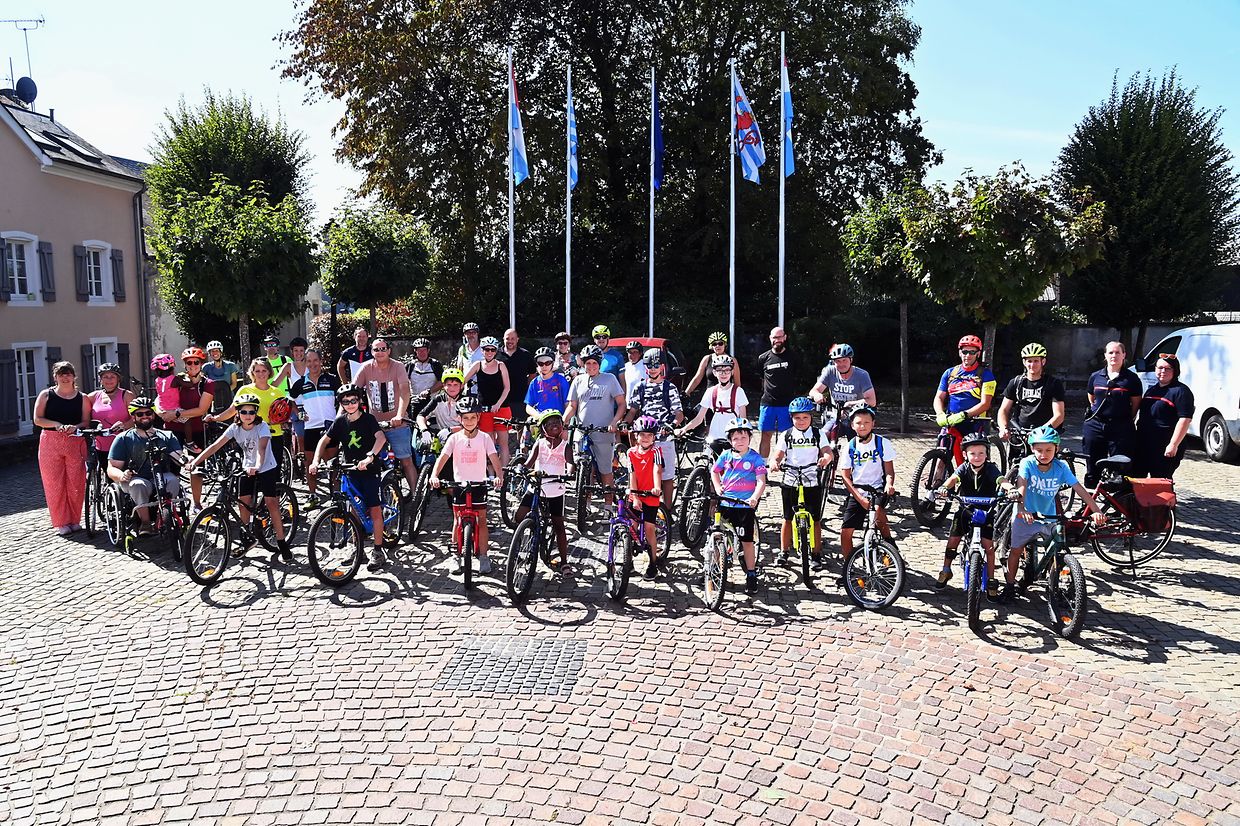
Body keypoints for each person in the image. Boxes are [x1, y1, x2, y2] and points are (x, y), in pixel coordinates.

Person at [1004, 426, 1106, 603]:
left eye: (1048, 450)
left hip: (1049, 515)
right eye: (1039, 450)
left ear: (1056, 449)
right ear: (1032, 449)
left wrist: (1096, 510)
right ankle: (1009, 586)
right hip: (1026, 514)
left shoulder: (1061, 467)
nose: (1044, 454)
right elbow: (1022, 486)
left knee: (1056, 549)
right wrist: (1021, 508)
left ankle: (1056, 584)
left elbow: (1079, 489)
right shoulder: (1027, 463)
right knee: (1016, 550)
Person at [186, 391, 290, 559]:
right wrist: (196, 462)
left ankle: (281, 541)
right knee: (243, 502)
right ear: (238, 413)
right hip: (247, 467)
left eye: (251, 412)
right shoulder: (235, 428)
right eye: (244, 412)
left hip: (266, 466)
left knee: (271, 503)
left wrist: (257, 465)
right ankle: (246, 538)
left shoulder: (262, 426)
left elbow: (262, 449)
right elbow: (215, 446)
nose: (248, 415)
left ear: (256, 413)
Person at [310, 384, 388, 571]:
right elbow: (324, 441)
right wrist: (315, 461)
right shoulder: (340, 422)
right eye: (346, 401)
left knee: (374, 509)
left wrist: (370, 457)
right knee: (353, 508)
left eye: (353, 400)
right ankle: (357, 548)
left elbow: (381, 438)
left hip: (369, 470)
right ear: (341, 404)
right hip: (350, 469)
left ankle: (378, 550)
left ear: (359, 401)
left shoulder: (368, 419)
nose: (350, 404)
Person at [430, 397, 505, 575]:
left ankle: (484, 556)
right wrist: (434, 475)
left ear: (478, 417)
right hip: (460, 485)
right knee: (457, 520)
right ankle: (455, 555)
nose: (469, 421)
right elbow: (443, 458)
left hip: (479, 484)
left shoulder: (484, 438)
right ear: (459, 418)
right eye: (465, 418)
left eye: (472, 417)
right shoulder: (454, 438)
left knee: (482, 520)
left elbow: (494, 458)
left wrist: (499, 476)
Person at [931, 431, 1007, 596]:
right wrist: (944, 487)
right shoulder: (963, 468)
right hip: (966, 510)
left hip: (986, 511)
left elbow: (1001, 480)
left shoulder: (991, 469)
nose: (977, 457)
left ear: (987, 454)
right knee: (953, 540)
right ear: (965, 455)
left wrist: (1011, 488)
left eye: (981, 453)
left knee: (989, 547)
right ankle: (946, 570)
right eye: (972, 454)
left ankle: (991, 579)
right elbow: (953, 479)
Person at [106, 396, 186, 537]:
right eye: (140, 414)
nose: (145, 416)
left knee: (173, 480)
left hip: (161, 476)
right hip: (136, 478)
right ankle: (145, 522)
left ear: (153, 415)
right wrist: (122, 475)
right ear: (133, 417)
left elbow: (178, 456)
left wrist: (188, 461)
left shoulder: (167, 435)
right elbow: (111, 468)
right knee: (138, 484)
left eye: (148, 413)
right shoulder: (123, 438)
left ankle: (164, 518)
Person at [770, 396, 833, 570]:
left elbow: (827, 451)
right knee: (787, 518)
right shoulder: (787, 434)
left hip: (811, 479)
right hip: (790, 478)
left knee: (816, 519)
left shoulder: (817, 434)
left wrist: (826, 458)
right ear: (791, 418)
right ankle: (784, 551)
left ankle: (816, 553)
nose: (801, 421)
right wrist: (775, 462)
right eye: (797, 418)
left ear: (811, 417)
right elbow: (778, 454)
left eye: (805, 417)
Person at [564, 345, 626, 511]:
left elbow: (621, 404)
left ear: (599, 363)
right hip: (582, 431)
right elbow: (572, 406)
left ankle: (608, 506)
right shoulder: (578, 380)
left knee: (605, 470)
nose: (591, 366)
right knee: (585, 469)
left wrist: (614, 422)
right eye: (588, 363)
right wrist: (563, 420)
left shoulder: (609, 379)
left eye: (594, 363)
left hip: (603, 431)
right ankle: (587, 504)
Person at [711, 417, 768, 595]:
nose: (740, 441)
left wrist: (754, 497)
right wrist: (718, 487)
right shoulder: (726, 455)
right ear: (730, 441)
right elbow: (714, 471)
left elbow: (761, 481)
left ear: (750, 438)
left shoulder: (755, 458)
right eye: (735, 438)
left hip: (744, 506)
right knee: (717, 535)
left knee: (747, 542)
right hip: (725, 503)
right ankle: (715, 568)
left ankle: (751, 573)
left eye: (743, 437)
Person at [34, 361, 91, 535]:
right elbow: (38, 419)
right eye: (61, 374)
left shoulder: (82, 398)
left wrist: (75, 427)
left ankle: (74, 519)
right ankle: (61, 521)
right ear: (55, 377)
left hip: (75, 441)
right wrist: (56, 424)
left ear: (74, 376)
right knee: (53, 483)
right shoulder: (46, 395)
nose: (65, 377)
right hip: (50, 442)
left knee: (76, 482)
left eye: (68, 374)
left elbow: (86, 421)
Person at [354, 336, 417, 492]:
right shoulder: (366, 368)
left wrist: (400, 415)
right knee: (371, 459)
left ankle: (416, 496)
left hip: (397, 423)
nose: (380, 352)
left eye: (383, 349)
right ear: (371, 352)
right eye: (376, 349)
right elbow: (352, 391)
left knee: (406, 460)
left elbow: (404, 392)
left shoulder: (398, 367)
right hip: (375, 425)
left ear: (389, 351)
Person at [513, 409, 571, 571]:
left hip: (555, 490)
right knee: (519, 516)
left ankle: (564, 561)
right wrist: (521, 468)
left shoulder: (565, 446)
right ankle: (518, 547)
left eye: (557, 423)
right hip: (536, 487)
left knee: (558, 525)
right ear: (543, 428)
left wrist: (569, 473)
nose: (554, 425)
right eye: (549, 424)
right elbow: (529, 462)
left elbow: (570, 463)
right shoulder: (539, 443)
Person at [839, 405, 898, 564]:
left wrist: (889, 485)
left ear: (873, 423)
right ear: (852, 425)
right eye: (858, 423)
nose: (862, 426)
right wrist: (859, 498)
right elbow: (845, 476)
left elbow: (889, 471)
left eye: (866, 422)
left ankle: (890, 544)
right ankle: (849, 566)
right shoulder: (850, 446)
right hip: (857, 491)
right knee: (845, 532)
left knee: (878, 513)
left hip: (877, 489)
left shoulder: (882, 443)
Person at [625, 348, 685, 505]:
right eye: (649, 366)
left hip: (664, 438)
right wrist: (625, 422)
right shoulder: (640, 387)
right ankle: (643, 505)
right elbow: (633, 410)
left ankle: (667, 510)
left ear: (662, 366)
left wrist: (671, 425)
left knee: (666, 477)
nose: (653, 369)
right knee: (643, 474)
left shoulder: (669, 388)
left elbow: (679, 414)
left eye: (656, 365)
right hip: (645, 438)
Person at [159, 347, 214, 514]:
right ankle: (171, 503)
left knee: (196, 467)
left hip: (195, 429)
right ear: (184, 364)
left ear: (201, 364)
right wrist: (160, 411)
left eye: (196, 362)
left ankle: (197, 503)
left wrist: (176, 414)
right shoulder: (176, 380)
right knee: (171, 467)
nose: (192, 365)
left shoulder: (207, 383)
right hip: (173, 428)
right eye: (189, 362)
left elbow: (201, 409)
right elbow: (161, 397)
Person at [206, 358, 291, 468]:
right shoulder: (245, 390)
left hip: (274, 435)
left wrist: (284, 421)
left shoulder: (277, 392)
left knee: (274, 471)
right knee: (252, 470)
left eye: (264, 370)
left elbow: (283, 414)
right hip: (251, 436)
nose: (261, 374)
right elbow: (232, 410)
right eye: (257, 371)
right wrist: (215, 418)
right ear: (252, 373)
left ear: (269, 372)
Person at [1082, 340, 1142, 487]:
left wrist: (1124, 418)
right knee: (1092, 463)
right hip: (1096, 425)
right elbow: (1092, 399)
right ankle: (1091, 495)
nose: (1114, 356)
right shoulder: (1095, 376)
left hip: (1120, 427)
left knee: (1120, 466)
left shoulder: (1132, 379)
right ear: (1105, 355)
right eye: (1110, 352)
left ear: (1124, 355)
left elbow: (1135, 404)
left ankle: (1117, 498)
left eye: (1117, 352)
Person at [933, 334, 997, 465]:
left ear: (978, 354)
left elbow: (985, 404)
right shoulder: (950, 373)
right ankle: (939, 477)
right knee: (941, 459)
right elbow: (939, 397)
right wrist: (940, 413)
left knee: (975, 462)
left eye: (972, 352)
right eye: (964, 351)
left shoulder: (986, 375)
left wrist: (964, 415)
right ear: (959, 352)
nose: (967, 355)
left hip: (974, 423)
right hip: (951, 421)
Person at [289, 348, 341, 508]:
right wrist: (299, 414)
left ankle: (336, 494)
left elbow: (343, 400)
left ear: (321, 361)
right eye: (309, 361)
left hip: (330, 427)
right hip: (311, 428)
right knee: (310, 464)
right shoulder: (301, 383)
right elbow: (290, 399)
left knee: (333, 464)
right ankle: (312, 495)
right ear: (305, 363)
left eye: (315, 360)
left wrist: (339, 417)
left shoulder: (332, 379)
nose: (313, 364)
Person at [1137, 354, 1194, 478]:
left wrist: (1173, 445)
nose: (1163, 371)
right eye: (1160, 368)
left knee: (1160, 482)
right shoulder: (1152, 390)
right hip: (1145, 444)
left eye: (1167, 368)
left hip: (1164, 446)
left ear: (1175, 371)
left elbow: (1185, 419)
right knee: (1137, 480)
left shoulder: (1181, 391)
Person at [996, 342, 1066, 442]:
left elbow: (1059, 415)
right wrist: (1003, 428)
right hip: (1020, 434)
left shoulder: (1053, 384)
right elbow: (1004, 409)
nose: (1032, 365)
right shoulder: (1015, 382)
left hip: (1045, 436)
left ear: (1043, 362)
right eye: (1029, 361)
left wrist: (1040, 432)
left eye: (1036, 361)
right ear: (1024, 362)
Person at [626, 415, 667, 581]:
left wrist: (657, 487)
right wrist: (635, 496)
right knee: (631, 527)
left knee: (649, 528)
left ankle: (653, 563)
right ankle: (628, 561)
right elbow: (632, 474)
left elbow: (657, 470)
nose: (645, 438)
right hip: (636, 493)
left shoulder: (656, 451)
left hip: (650, 495)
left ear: (654, 437)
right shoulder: (630, 453)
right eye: (642, 434)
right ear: (636, 435)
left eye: (649, 435)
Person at [808, 343, 876, 439]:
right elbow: (813, 391)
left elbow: (872, 401)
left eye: (844, 360)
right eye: (838, 361)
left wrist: (850, 404)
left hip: (856, 419)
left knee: (858, 443)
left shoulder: (862, 375)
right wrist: (817, 395)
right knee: (822, 437)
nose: (841, 364)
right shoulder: (830, 372)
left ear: (851, 360)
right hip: (836, 417)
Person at [676, 354, 748, 445]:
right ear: (714, 372)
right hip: (714, 437)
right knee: (708, 453)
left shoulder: (738, 392)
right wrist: (684, 429)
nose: (723, 374)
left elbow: (743, 420)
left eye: (727, 370)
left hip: (733, 439)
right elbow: (699, 418)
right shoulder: (711, 391)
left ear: (732, 372)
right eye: (719, 370)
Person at [464, 336, 513, 466]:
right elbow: (463, 380)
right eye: (487, 349)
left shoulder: (501, 365)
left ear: (496, 351)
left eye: (492, 350)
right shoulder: (477, 365)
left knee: (503, 443)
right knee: (488, 443)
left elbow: (507, 388)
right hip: (484, 409)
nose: (489, 352)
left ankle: (503, 472)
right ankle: (491, 473)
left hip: (501, 409)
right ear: (482, 350)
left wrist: (498, 404)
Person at [756, 326, 799, 459]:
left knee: (787, 436)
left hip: (787, 404)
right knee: (765, 435)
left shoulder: (793, 357)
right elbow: (761, 378)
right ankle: (763, 466)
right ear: (770, 338)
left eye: (780, 337)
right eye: (775, 337)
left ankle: (788, 463)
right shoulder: (763, 358)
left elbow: (798, 376)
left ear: (785, 337)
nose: (777, 340)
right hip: (768, 403)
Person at [87, 362, 134, 456]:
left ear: (118, 379)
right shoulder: (92, 397)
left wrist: (124, 425)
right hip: (99, 446)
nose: (109, 379)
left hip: (123, 445)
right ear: (100, 380)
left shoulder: (127, 395)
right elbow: (85, 418)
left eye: (112, 376)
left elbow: (136, 419)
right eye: (105, 377)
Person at [685, 331, 744, 397]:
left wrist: (738, 397)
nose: (717, 346)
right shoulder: (707, 359)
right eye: (714, 344)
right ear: (711, 346)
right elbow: (697, 378)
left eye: (720, 343)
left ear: (725, 344)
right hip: (710, 397)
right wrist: (686, 392)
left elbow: (737, 383)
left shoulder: (732, 360)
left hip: (727, 396)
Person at [416, 367, 468, 437]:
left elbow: (471, 425)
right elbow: (421, 416)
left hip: (463, 437)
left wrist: (450, 430)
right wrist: (424, 430)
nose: (452, 388)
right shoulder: (438, 400)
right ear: (443, 385)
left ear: (461, 386)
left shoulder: (466, 401)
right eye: (449, 385)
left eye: (455, 385)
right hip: (442, 438)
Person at [498, 329, 536, 423]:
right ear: (503, 339)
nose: (510, 341)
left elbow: (532, 374)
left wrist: (525, 387)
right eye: (507, 338)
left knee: (520, 425)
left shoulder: (525, 355)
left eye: (513, 338)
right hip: (500, 399)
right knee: (502, 426)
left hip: (520, 399)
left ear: (517, 339)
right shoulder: (496, 354)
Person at [525, 347, 572, 419]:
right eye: (540, 363)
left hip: (558, 420)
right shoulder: (534, 383)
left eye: (548, 363)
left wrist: (565, 420)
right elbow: (528, 406)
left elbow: (568, 403)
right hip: (541, 420)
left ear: (553, 363)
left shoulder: (561, 380)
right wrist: (538, 416)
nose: (544, 366)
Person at [285, 337, 310, 457]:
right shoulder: (288, 366)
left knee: (314, 436)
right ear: (292, 351)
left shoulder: (310, 364)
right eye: (296, 350)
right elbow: (274, 384)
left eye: (301, 350)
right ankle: (301, 462)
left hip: (311, 406)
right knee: (301, 438)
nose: (298, 353)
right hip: (296, 407)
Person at [202, 340, 240, 412]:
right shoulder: (206, 367)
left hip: (229, 398)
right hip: (213, 400)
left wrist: (223, 393)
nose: (215, 353)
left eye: (217, 350)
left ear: (221, 352)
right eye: (212, 351)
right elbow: (202, 382)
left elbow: (234, 384)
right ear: (209, 353)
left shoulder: (230, 366)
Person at [406, 337, 444, 401]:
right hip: (415, 400)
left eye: (424, 350)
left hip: (432, 400)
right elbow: (404, 381)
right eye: (419, 350)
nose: (422, 353)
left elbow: (442, 382)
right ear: (415, 351)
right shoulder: (410, 365)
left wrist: (429, 391)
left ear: (428, 350)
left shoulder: (435, 364)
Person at [621, 340, 647, 405]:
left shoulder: (645, 366)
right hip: (626, 405)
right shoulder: (625, 366)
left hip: (640, 405)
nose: (632, 355)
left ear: (640, 353)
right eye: (630, 352)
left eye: (635, 352)